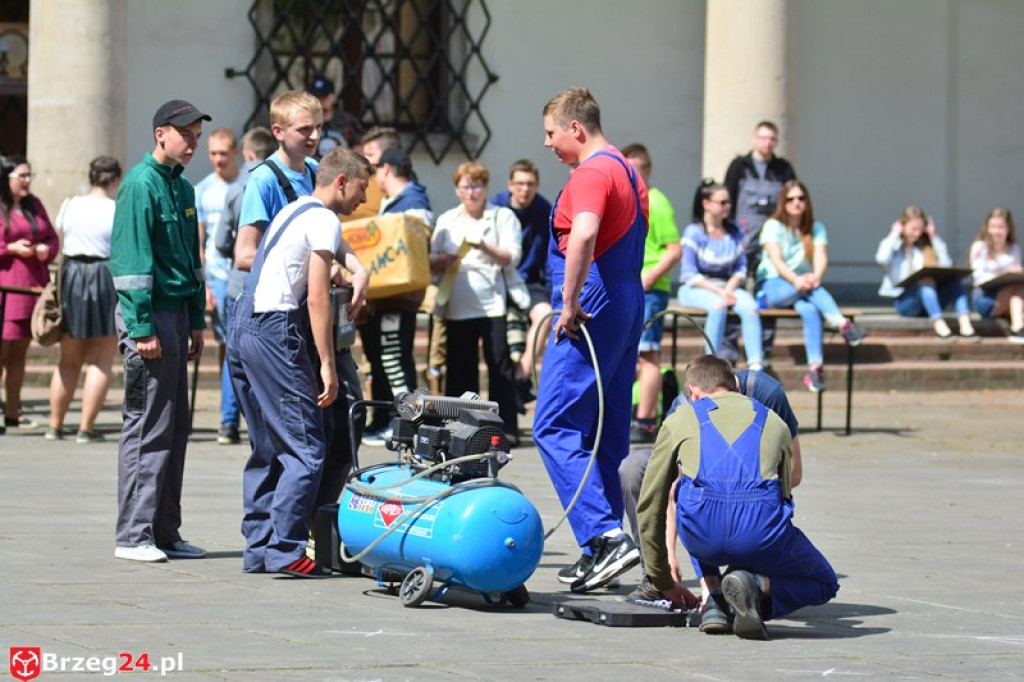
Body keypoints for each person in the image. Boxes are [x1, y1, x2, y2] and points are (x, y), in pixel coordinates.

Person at [229, 147, 370, 578]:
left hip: (242, 323)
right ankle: (287, 550)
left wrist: (359, 269)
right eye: (361, 190)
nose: (363, 202)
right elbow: (316, 296)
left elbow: (338, 252)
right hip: (276, 331)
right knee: (307, 448)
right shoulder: (324, 219)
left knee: (268, 446)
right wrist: (327, 363)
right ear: (341, 182)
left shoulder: (296, 210)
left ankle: (259, 548)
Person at [533, 87, 649, 593]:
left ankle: (603, 537)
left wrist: (568, 302)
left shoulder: (591, 172)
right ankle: (603, 547)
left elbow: (582, 235)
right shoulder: (627, 169)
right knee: (605, 431)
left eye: (551, 133)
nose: (548, 144)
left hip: (592, 305)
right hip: (627, 302)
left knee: (554, 424)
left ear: (575, 128)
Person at [637, 355, 838, 639]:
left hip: (701, 536)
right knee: (825, 582)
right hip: (760, 537)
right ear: (736, 387)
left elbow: (651, 501)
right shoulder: (775, 421)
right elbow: (784, 491)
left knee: (688, 490)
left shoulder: (681, 417)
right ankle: (756, 585)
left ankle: (714, 596)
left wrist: (662, 578)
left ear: (693, 392)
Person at [618, 365, 801, 628]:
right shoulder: (682, 407)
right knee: (637, 468)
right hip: (702, 494)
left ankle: (742, 579)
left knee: (715, 499)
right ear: (694, 396)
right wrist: (667, 557)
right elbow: (670, 490)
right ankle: (687, 586)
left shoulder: (766, 393)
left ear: (738, 389)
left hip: (751, 492)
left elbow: (794, 474)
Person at [110, 100, 211, 563]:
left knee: (175, 431)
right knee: (148, 427)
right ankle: (134, 535)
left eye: (196, 136)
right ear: (160, 135)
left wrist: (195, 320)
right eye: (185, 134)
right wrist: (142, 326)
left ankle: (165, 531)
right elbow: (130, 265)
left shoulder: (183, 190)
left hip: (176, 315)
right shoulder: (139, 185)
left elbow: (192, 261)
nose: (193, 143)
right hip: (149, 319)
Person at [430, 161, 520, 440]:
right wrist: (444, 260)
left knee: (499, 365)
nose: (471, 192)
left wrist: (484, 246)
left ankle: (505, 428)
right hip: (457, 302)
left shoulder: (502, 217)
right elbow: (429, 261)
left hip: (492, 302)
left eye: (477, 185)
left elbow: (512, 257)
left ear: (486, 188)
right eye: (466, 186)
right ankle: (461, 429)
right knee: (459, 367)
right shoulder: (447, 220)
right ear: (457, 190)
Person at [756, 180, 865, 392]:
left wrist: (815, 276)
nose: (796, 203)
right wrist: (799, 281)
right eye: (791, 199)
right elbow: (777, 262)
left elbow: (822, 258)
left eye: (801, 198)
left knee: (810, 309)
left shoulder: (816, 228)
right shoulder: (773, 226)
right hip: (773, 286)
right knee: (810, 290)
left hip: (802, 289)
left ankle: (815, 369)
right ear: (783, 203)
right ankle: (841, 323)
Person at [359, 147, 433, 446]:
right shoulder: (393, 202)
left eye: (376, 168)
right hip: (382, 297)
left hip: (398, 298)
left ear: (387, 169)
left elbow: (413, 246)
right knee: (379, 361)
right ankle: (382, 419)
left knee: (394, 359)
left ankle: (405, 424)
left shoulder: (414, 203)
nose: (374, 175)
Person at [46, 156, 123, 443]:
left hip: (73, 276)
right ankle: (85, 428)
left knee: (68, 360)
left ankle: (55, 425)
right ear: (115, 180)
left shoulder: (69, 205)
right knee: (101, 360)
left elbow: (61, 240)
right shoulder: (116, 209)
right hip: (104, 275)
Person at [213, 126, 276, 445]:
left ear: (248, 154)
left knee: (233, 354)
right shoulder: (283, 182)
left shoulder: (238, 189)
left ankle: (228, 422)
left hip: (240, 282)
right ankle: (262, 424)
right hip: (277, 282)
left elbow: (222, 242)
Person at [721, 121, 798, 365]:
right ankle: (728, 352)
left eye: (772, 139)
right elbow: (728, 200)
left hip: (772, 243)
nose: (767, 143)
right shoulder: (739, 167)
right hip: (744, 239)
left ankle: (763, 351)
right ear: (755, 139)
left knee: (766, 295)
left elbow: (791, 199)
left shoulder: (783, 169)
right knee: (735, 291)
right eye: (763, 138)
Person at [619, 144, 681, 444]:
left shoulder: (657, 202)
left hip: (651, 288)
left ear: (647, 170)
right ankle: (634, 412)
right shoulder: (629, 200)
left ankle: (645, 420)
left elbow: (673, 250)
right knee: (632, 354)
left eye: (636, 170)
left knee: (647, 354)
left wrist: (649, 277)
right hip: (630, 286)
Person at [677, 181, 764, 369]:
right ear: (706, 204)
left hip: (728, 287)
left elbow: (741, 268)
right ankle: (710, 364)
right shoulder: (694, 232)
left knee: (750, 307)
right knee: (718, 306)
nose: (728, 206)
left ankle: (756, 365)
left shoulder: (734, 232)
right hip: (697, 288)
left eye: (729, 202)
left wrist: (729, 288)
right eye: (722, 202)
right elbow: (689, 273)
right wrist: (719, 291)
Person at [195, 127, 245, 443]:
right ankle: (228, 418)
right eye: (212, 153)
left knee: (236, 350)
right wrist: (205, 286)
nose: (217, 159)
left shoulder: (246, 186)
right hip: (216, 273)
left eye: (223, 153)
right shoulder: (202, 190)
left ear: (236, 152)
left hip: (242, 273)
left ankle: (231, 418)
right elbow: (199, 242)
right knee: (227, 348)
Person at [1, 155, 58, 429]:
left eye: (29, 175)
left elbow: (52, 236)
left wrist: (47, 248)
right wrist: (11, 248)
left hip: (31, 288)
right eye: (21, 176)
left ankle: (13, 411)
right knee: (2, 351)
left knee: (19, 354)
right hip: (5, 288)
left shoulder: (34, 205)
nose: (27, 181)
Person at [491, 159, 553, 408]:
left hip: (529, 282)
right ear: (509, 185)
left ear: (536, 185)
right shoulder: (495, 207)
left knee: (545, 315)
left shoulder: (544, 209)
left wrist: (551, 292)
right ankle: (512, 385)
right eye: (519, 184)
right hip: (500, 280)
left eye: (530, 184)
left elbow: (551, 257)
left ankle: (522, 375)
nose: (524, 189)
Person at [876, 206, 975, 338]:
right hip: (907, 302)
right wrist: (894, 234)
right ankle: (939, 323)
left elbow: (946, 265)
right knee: (924, 282)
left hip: (931, 298)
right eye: (913, 229)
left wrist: (933, 236)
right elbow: (881, 258)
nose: (917, 234)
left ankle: (965, 323)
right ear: (903, 226)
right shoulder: (895, 248)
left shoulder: (926, 248)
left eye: (920, 229)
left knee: (953, 282)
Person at [969, 208, 1024, 343]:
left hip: (1011, 295)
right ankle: (1017, 328)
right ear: (987, 228)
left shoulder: (1014, 248)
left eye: (1001, 227)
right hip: (985, 297)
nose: (997, 231)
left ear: (1008, 229)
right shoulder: (979, 247)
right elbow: (979, 277)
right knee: (1017, 287)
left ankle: (1018, 326)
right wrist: (1003, 274)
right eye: (993, 227)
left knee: (1019, 285)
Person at [307, 74, 348, 158]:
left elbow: (361, 146)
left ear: (334, 97)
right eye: (316, 96)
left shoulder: (347, 121)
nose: (320, 100)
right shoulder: (305, 121)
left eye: (324, 96)